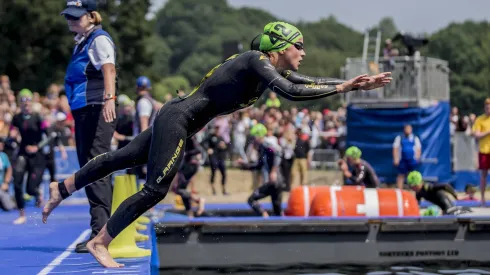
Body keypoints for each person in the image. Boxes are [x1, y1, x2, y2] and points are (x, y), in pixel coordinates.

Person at [42, 21, 392, 268]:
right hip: (178, 120)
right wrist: (346, 88)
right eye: (299, 45)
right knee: (155, 189)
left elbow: (305, 81)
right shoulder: (256, 61)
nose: (304, 52)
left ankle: (63, 186)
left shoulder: (264, 68)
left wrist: (351, 84)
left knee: (122, 157)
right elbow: (292, 92)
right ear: (279, 47)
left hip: (180, 119)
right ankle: (100, 241)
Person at [60, 0, 118, 253]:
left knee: (95, 168)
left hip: (97, 108)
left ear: (92, 16)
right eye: (68, 17)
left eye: (77, 16)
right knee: (89, 168)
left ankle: (100, 235)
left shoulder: (99, 39)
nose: (71, 20)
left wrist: (109, 99)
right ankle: (102, 230)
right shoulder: (82, 41)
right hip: (84, 112)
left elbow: (109, 69)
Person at [9, 89, 47, 224]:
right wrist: (13, 136)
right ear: (20, 103)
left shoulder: (38, 117)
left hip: (37, 155)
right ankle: (21, 214)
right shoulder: (16, 118)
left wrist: (37, 147)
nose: (26, 103)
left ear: (32, 102)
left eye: (28, 100)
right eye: (23, 101)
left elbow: (49, 136)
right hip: (23, 152)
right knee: (17, 181)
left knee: (30, 190)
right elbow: (12, 131)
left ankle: (37, 192)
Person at [237, 123, 285, 217]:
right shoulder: (262, 148)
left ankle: (265, 216)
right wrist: (245, 165)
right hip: (272, 183)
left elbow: (278, 154)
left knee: (253, 200)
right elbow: (259, 165)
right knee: (276, 211)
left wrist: (273, 172)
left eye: (254, 137)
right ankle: (265, 216)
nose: (253, 140)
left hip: (276, 181)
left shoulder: (267, 145)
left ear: (259, 135)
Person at [406, 171, 471, 215]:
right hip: (443, 209)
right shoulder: (418, 193)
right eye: (412, 187)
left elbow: (446, 186)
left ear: (420, 182)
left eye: (415, 186)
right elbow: (417, 206)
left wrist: (456, 197)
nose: (414, 189)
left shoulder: (428, 187)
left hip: (448, 206)